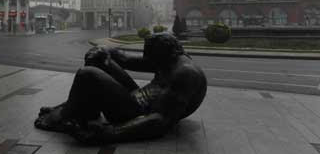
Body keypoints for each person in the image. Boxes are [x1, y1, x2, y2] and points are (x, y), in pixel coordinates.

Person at [34, 32, 207, 144]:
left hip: (136, 113)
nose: (148, 62)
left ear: (164, 55)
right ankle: (74, 107)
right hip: (136, 99)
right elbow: (124, 59)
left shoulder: (185, 75)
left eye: (151, 58)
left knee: (86, 75)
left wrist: (108, 133)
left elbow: (161, 120)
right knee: (99, 59)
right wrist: (102, 49)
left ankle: (66, 115)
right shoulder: (167, 58)